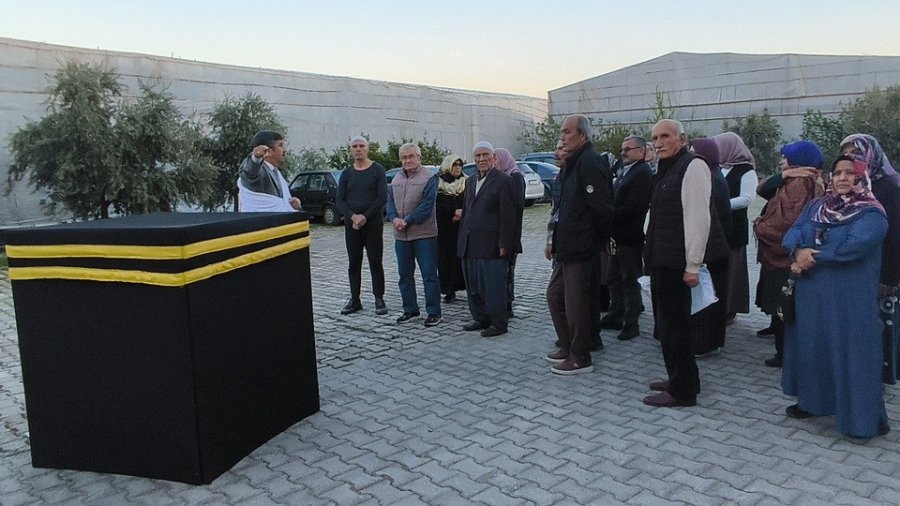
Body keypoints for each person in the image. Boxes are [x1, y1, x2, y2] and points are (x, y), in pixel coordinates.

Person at [781, 154, 889, 438]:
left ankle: (861, 421)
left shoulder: (872, 213)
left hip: (849, 300)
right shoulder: (818, 205)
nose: (842, 178)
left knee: (851, 354)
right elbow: (792, 232)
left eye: (850, 173)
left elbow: (853, 247)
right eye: (837, 172)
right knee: (814, 348)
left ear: (862, 177)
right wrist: (798, 250)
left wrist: (810, 256)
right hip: (812, 296)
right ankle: (813, 403)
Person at [643, 119, 729, 407]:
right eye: (655, 137)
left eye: (665, 136)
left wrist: (693, 264)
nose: (658, 142)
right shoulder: (666, 168)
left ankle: (683, 392)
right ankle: (681, 378)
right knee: (668, 327)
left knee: (675, 328)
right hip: (663, 260)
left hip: (678, 263)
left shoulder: (693, 166)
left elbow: (697, 218)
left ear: (681, 138)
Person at [545, 114, 613, 375]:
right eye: (561, 131)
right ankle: (567, 343)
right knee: (554, 295)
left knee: (577, 304)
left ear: (582, 135)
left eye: (567, 131)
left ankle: (580, 356)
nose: (562, 136)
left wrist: (602, 239)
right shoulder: (573, 164)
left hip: (581, 247)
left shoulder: (590, 162)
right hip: (566, 246)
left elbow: (602, 208)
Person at [753, 141, 825, 367]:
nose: (782, 162)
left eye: (787, 158)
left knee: (785, 304)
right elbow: (763, 189)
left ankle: (785, 355)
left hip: (787, 255)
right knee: (780, 302)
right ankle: (783, 349)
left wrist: (760, 227)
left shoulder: (801, 184)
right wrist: (786, 173)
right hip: (784, 256)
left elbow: (786, 222)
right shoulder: (795, 178)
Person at [839, 134, 900, 383]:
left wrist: (889, 277)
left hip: (882, 269)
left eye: (857, 152)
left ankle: (877, 378)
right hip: (856, 269)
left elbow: (896, 235)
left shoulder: (890, 186)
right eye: (847, 153)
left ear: (871, 154)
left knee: (880, 326)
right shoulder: (852, 184)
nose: (852, 158)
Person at [457, 141, 516, 337]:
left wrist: (505, 243)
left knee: (493, 286)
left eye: (485, 155)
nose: (482, 159)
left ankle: (499, 323)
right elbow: (467, 212)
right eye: (478, 156)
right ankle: (480, 318)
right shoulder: (470, 181)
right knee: (473, 285)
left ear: (493, 158)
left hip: (492, 244)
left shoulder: (504, 181)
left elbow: (509, 216)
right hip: (470, 242)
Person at [601, 136, 652, 341]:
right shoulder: (625, 171)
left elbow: (634, 206)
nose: (623, 153)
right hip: (617, 236)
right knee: (613, 278)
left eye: (628, 149)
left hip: (630, 236)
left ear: (641, 151)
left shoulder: (643, 173)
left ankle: (631, 323)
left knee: (629, 281)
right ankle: (616, 314)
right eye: (622, 149)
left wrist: (609, 215)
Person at [386, 142, 442, 326]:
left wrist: (407, 220)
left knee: (429, 275)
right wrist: (394, 219)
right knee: (404, 275)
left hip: (424, 235)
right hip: (401, 237)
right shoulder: (395, 179)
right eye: (404, 157)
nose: (408, 160)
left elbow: (427, 205)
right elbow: (390, 204)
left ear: (419, 157)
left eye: (411, 156)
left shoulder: (429, 177)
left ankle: (434, 312)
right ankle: (410, 309)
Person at [687, 138, 732, 357]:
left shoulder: (711, 178)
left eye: (695, 152)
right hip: (714, 245)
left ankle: (706, 343)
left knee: (708, 300)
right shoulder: (713, 175)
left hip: (712, 247)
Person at [335, 136, 388, 315]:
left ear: (368, 148)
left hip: (372, 224)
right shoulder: (347, 173)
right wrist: (353, 217)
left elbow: (382, 198)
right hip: (352, 226)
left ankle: (379, 298)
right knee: (353, 263)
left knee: (375, 262)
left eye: (361, 146)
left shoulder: (377, 170)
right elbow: (340, 199)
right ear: (351, 150)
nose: (358, 149)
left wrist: (365, 217)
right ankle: (355, 299)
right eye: (354, 146)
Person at [713, 132, 757, 324]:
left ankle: (729, 309)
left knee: (732, 271)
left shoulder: (745, 170)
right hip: (718, 227)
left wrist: (719, 204)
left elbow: (748, 198)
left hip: (734, 228)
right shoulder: (719, 167)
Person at [493, 148, 525, 318]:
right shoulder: (500, 177)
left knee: (507, 270)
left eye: (496, 159)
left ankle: (507, 305)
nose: (494, 162)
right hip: (498, 231)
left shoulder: (515, 176)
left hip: (511, 232)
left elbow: (516, 205)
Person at [237, 130, 302, 212]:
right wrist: (256, 157)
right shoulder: (259, 171)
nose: (285, 150)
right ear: (268, 151)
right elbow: (250, 173)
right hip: (260, 223)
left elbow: (281, 204)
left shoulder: (276, 173)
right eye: (280, 146)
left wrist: (294, 206)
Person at [436, 154, 467, 303]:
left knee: (462, 258)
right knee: (446, 260)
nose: (458, 168)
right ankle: (449, 290)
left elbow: (469, 202)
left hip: (462, 228)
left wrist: (461, 212)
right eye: (455, 165)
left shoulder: (466, 182)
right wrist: (452, 212)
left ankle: (465, 286)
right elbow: (438, 205)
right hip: (445, 229)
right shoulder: (439, 183)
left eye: (460, 165)